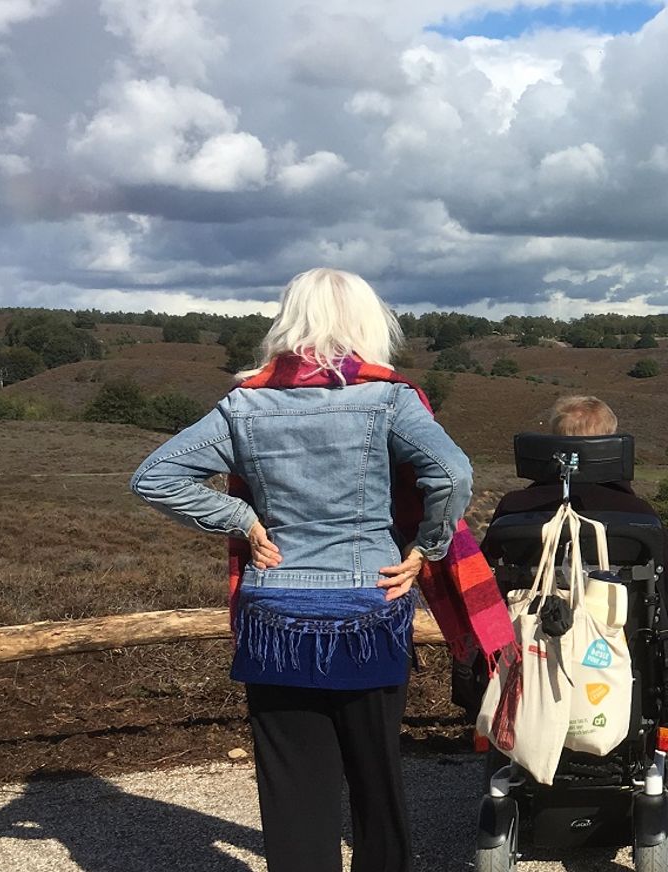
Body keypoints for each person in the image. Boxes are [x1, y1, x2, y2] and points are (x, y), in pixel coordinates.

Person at [130, 267, 477, 872]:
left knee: (292, 787)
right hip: (370, 606)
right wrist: (428, 548)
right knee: (376, 778)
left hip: (275, 614)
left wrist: (241, 519)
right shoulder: (390, 399)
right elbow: (452, 474)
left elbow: (154, 477)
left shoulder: (243, 404)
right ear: (370, 324)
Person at [486, 396, 668, 718]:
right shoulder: (636, 514)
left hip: (534, 631)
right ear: (610, 446)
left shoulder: (515, 509)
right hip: (621, 633)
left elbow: (486, 563)